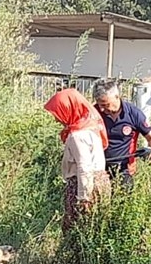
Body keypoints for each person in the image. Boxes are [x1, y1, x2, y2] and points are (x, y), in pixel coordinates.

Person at [44, 88, 112, 232]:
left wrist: (84, 198)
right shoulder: (91, 128)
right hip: (99, 183)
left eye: (58, 112)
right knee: (96, 229)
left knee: (76, 231)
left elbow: (84, 166)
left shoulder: (77, 135)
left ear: (68, 109)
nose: (56, 119)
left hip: (84, 186)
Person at [92, 79, 151, 189]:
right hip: (98, 168)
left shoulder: (133, 113)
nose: (102, 109)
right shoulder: (94, 112)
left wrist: (150, 152)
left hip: (124, 170)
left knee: (123, 202)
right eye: (100, 105)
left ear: (117, 97)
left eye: (105, 104)